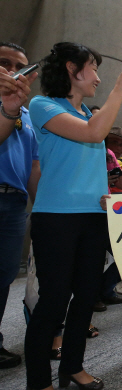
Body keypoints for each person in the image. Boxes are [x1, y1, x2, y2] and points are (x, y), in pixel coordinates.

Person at [25, 42, 122, 390]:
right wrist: (121, 89)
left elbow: (91, 151)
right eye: (93, 69)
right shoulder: (42, 105)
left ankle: (72, 366)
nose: (99, 79)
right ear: (73, 69)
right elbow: (92, 135)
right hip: (56, 218)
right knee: (54, 301)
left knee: (86, 297)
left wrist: (103, 195)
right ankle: (38, 380)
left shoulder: (90, 113)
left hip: (92, 218)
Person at [0, 41, 39, 369]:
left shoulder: (26, 116)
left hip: (13, 205)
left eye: (20, 66)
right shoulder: (12, 110)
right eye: (5, 63)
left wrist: (41, 210)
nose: (13, 71)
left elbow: (33, 168)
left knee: (4, 276)